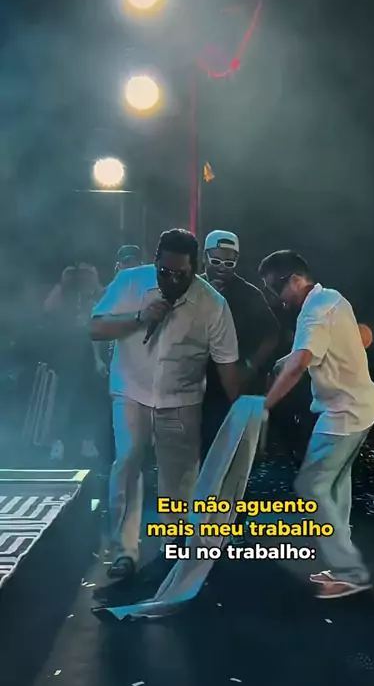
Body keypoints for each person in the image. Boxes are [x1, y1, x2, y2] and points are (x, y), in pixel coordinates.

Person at [90, 228, 240, 580]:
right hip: (130, 389)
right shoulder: (130, 282)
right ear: (155, 261)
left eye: (180, 274)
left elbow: (227, 364)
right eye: (164, 271)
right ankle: (125, 552)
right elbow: (95, 327)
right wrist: (139, 318)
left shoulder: (212, 304)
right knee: (127, 463)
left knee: (180, 474)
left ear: (194, 269)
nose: (172, 279)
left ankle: (173, 544)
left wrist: (241, 412)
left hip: (181, 398)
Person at [259, 250, 374, 599]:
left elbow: (301, 363)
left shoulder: (313, 310)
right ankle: (342, 566)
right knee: (335, 485)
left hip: (345, 412)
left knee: (311, 485)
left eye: (276, 289)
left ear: (297, 280)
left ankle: (351, 572)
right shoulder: (331, 298)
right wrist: (285, 360)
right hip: (361, 405)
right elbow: (326, 345)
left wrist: (264, 406)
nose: (278, 299)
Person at [200, 230, 279, 453]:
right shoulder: (192, 288)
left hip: (232, 386)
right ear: (204, 257)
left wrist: (250, 366)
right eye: (215, 261)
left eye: (229, 263)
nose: (222, 268)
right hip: (195, 384)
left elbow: (272, 334)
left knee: (230, 450)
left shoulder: (249, 294)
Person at [44, 263, 105, 462]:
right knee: (64, 400)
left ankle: (87, 440)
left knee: (90, 400)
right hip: (67, 356)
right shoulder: (64, 295)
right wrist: (65, 281)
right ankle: (57, 441)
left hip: (89, 357)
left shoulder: (95, 296)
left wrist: (94, 280)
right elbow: (49, 308)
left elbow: (104, 304)